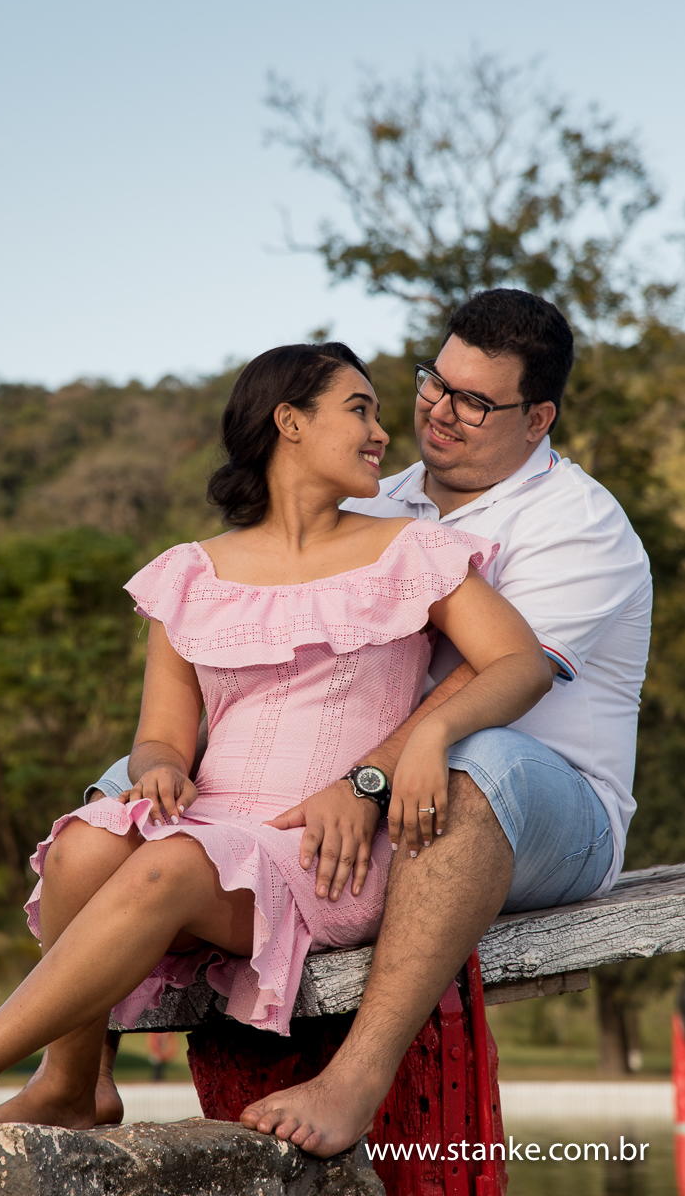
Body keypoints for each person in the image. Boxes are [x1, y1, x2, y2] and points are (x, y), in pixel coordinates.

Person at [0, 341, 553, 1141]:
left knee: (172, 865)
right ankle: (74, 1084)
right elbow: (159, 738)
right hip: (210, 826)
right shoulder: (190, 574)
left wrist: (412, 752)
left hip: (325, 847)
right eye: (359, 409)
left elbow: (518, 663)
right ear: (289, 422)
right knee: (82, 844)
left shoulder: (409, 552)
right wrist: (156, 775)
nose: (380, 434)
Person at [237, 289, 653, 1155]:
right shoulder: (377, 503)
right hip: (386, 803)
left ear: (536, 418)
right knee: (146, 775)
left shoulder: (578, 525)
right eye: (434, 381)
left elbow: (499, 676)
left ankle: (356, 1077)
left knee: (482, 758)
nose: (438, 411)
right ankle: (72, 1072)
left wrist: (364, 777)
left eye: (475, 401)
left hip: (548, 814)